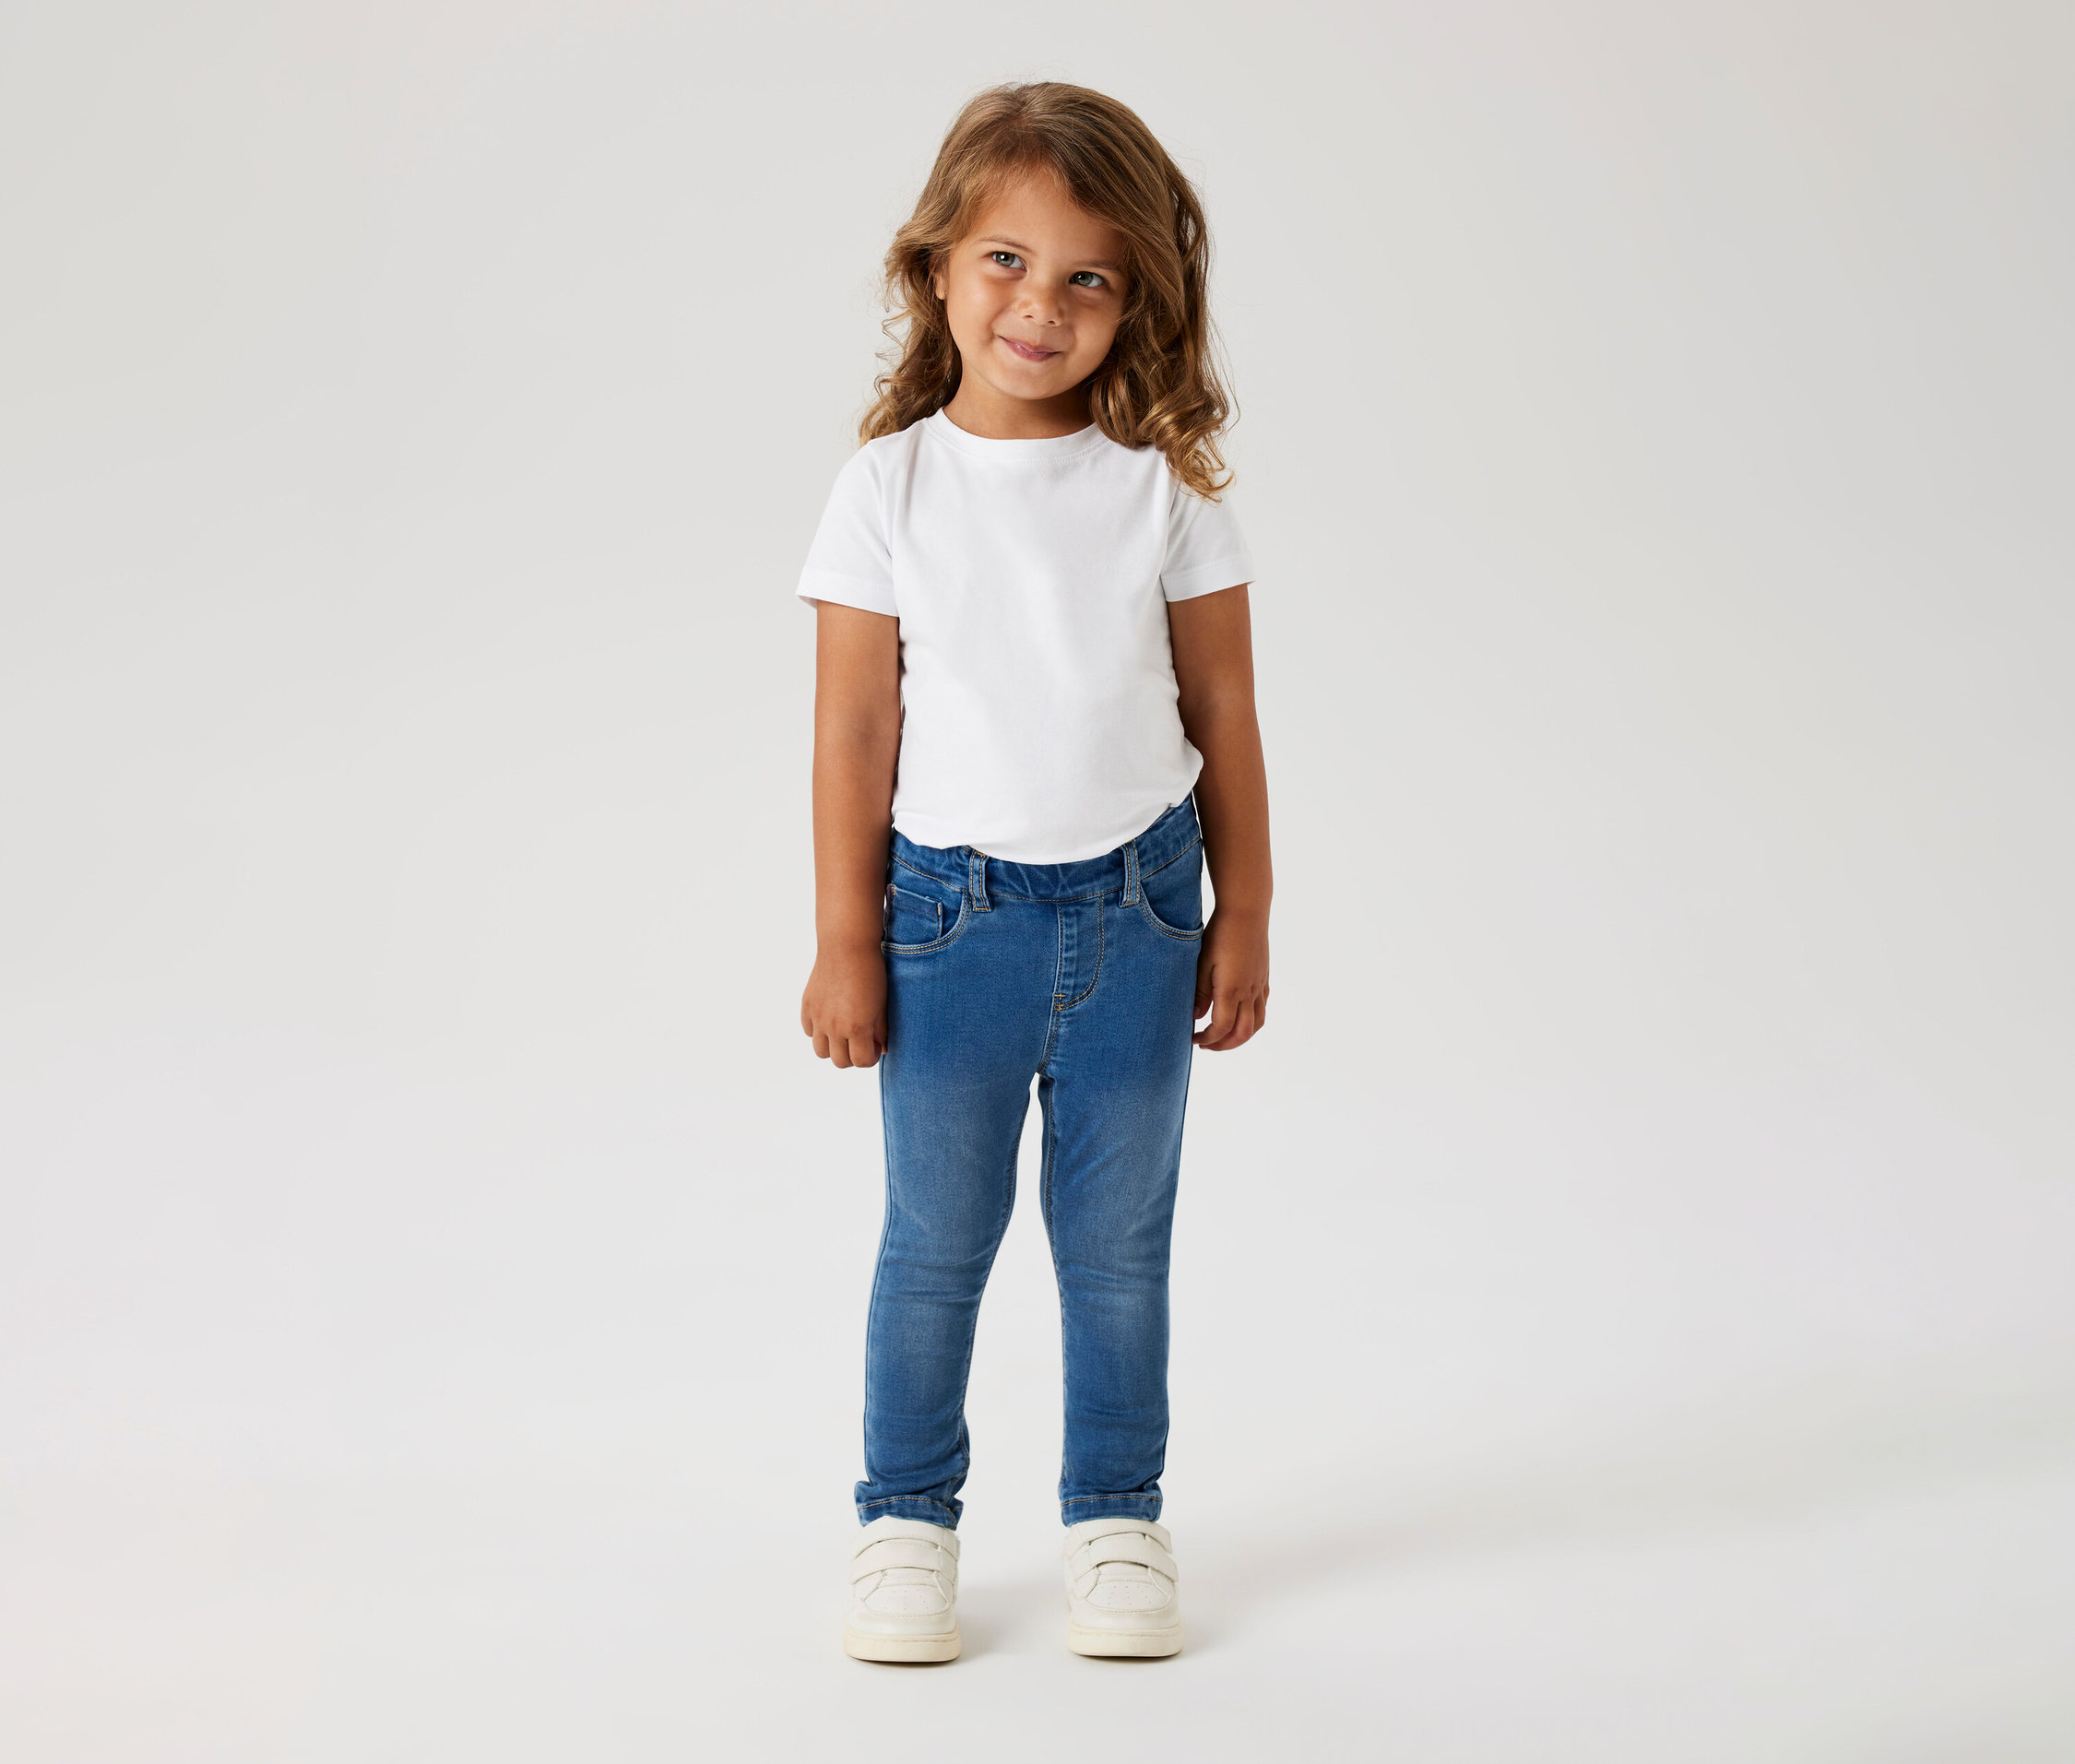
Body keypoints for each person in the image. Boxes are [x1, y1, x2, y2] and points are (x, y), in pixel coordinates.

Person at [796, 81, 1271, 1663]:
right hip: (948, 920)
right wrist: (844, 937)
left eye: (1087, 276)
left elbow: (1225, 713)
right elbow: (855, 730)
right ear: (934, 269)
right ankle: (902, 1521)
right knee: (934, 1239)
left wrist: (1246, 910)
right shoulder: (889, 491)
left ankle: (1114, 1518)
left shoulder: (1162, 492)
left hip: (1141, 911)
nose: (1038, 304)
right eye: (1004, 260)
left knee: (1118, 1242)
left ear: (1137, 297)